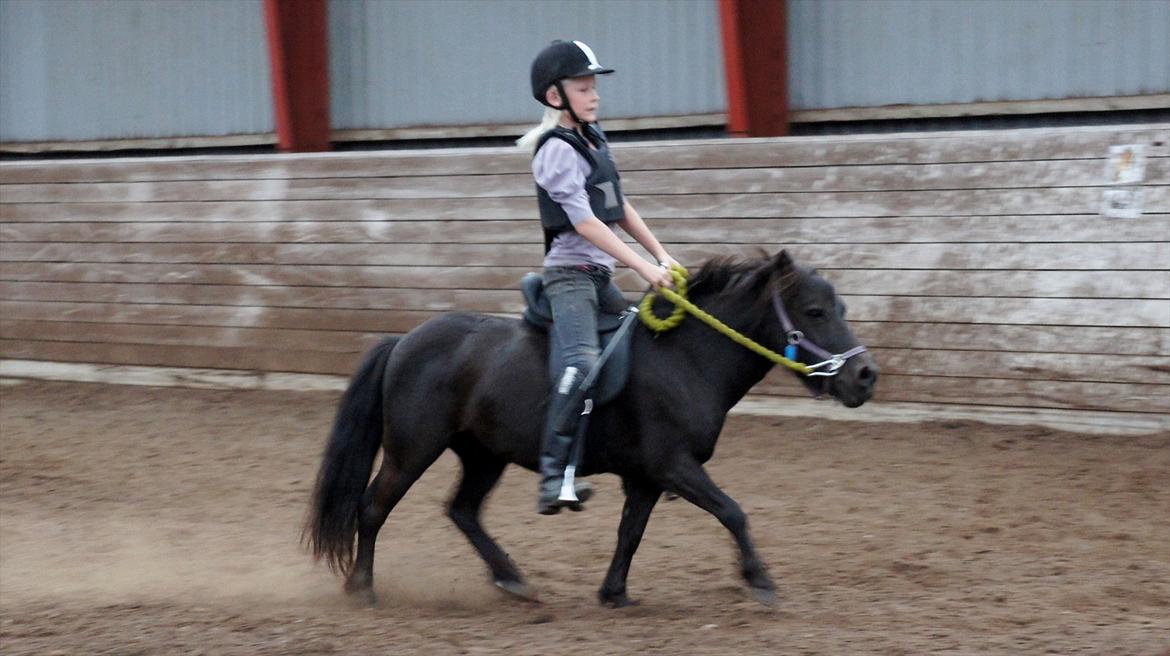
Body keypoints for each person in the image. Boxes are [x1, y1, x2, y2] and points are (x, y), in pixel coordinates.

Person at [518, 40, 678, 515]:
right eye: (583, 88)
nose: (594, 95)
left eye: (594, 87)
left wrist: (661, 253)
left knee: (648, 345)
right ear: (555, 97)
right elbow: (586, 222)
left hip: (600, 276)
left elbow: (617, 206)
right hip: (569, 277)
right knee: (582, 364)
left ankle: (655, 452)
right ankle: (552, 474)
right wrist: (643, 267)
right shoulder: (555, 152)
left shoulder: (594, 139)